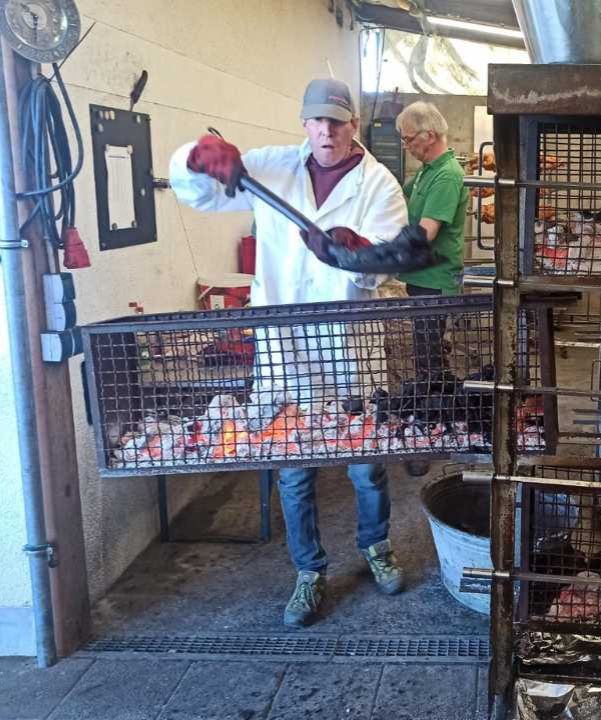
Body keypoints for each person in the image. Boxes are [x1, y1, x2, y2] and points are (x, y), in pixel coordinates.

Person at [169, 78, 415, 628]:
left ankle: (376, 546)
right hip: (283, 346)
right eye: (316, 120)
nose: (326, 131)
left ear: (355, 124)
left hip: (350, 344)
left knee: (365, 463)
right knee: (293, 467)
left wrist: (356, 258)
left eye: (337, 121)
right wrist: (197, 158)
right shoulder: (270, 166)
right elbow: (198, 191)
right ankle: (309, 571)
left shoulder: (381, 185)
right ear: (304, 123)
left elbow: (387, 260)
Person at [394, 102, 468, 476]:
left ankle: (432, 428)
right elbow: (395, 200)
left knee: (427, 353)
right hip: (420, 279)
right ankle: (441, 411)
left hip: (435, 281)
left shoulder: (447, 176)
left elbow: (425, 234)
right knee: (429, 349)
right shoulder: (425, 172)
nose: (405, 145)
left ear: (430, 135)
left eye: (408, 138)